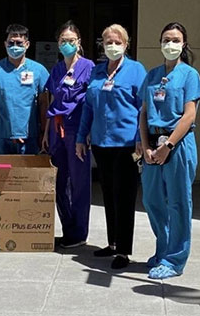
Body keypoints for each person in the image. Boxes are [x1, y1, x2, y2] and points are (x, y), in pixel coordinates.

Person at [138, 22, 200, 280]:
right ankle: (163, 249)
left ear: (184, 44)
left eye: (176, 40)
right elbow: (143, 113)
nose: (171, 44)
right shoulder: (152, 75)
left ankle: (175, 259)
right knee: (152, 201)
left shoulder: (190, 75)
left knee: (178, 203)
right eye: (166, 39)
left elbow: (189, 116)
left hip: (177, 145)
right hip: (152, 145)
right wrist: (145, 146)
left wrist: (168, 146)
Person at [76, 24, 146, 268]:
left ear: (126, 45)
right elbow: (88, 107)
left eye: (117, 42)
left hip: (126, 143)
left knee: (124, 196)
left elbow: (143, 107)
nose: (112, 46)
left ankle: (124, 250)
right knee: (107, 193)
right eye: (108, 42)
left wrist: (140, 137)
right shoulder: (96, 72)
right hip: (100, 143)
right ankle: (112, 242)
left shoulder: (136, 71)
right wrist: (80, 137)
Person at [41, 21, 93, 249]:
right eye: (63, 41)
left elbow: (92, 102)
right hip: (56, 129)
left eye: (72, 40)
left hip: (77, 129)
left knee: (79, 181)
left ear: (79, 43)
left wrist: (88, 131)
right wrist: (45, 131)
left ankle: (79, 232)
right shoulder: (57, 69)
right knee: (59, 181)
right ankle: (68, 229)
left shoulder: (89, 67)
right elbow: (53, 100)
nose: (67, 44)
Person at [0, 24, 49, 155]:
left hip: (30, 136)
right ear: (5, 44)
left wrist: (45, 132)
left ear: (27, 44)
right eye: (11, 43)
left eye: (19, 43)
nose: (14, 46)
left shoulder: (38, 70)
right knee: (2, 172)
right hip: (2, 136)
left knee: (27, 175)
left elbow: (44, 103)